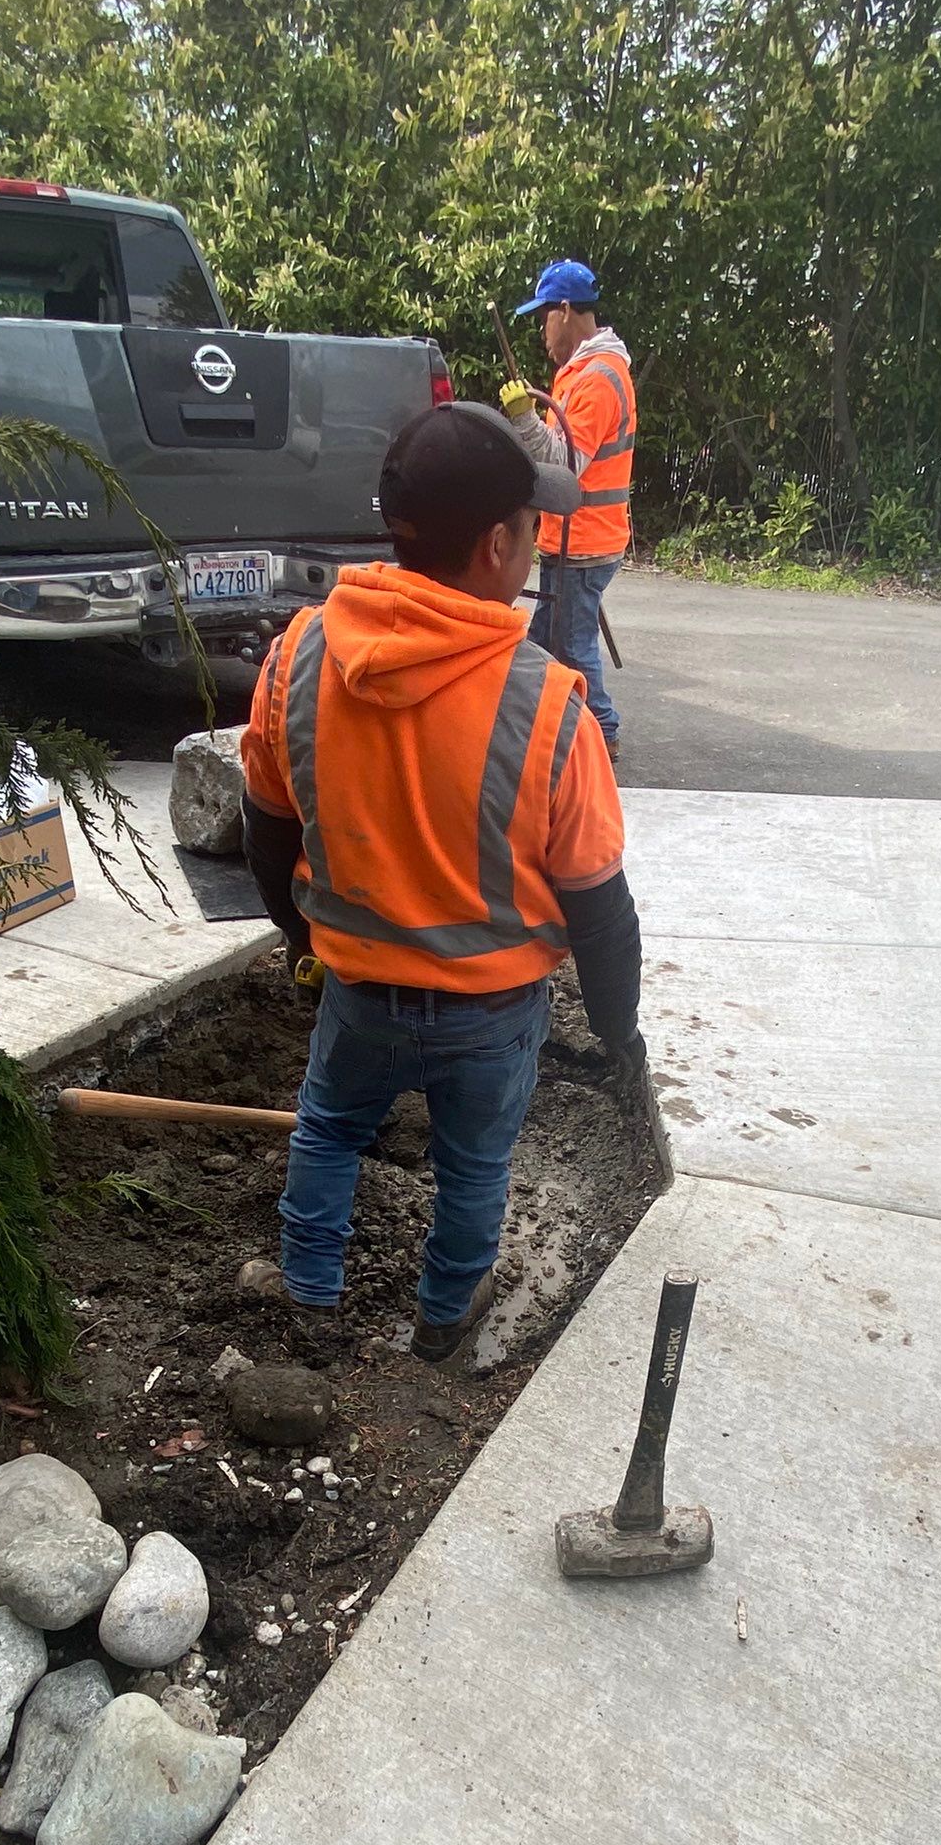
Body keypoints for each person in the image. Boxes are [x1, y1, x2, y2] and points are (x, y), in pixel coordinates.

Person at [236, 400, 646, 1362]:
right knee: (474, 1164)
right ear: (499, 544)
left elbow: (264, 827)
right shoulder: (548, 705)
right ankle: (442, 1318)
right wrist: (617, 1030)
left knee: (329, 1131)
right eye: (533, 529)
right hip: (490, 1010)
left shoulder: (300, 655)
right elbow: (598, 902)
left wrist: (306, 946)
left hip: (361, 988)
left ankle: (309, 1293)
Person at [502, 258, 634, 761]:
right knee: (545, 641)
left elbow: (562, 465)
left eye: (543, 318)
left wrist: (524, 420)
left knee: (572, 648)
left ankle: (602, 735)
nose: (542, 332)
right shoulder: (582, 373)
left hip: (584, 542)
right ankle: (545, 732)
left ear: (564, 310)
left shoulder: (598, 380)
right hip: (576, 538)